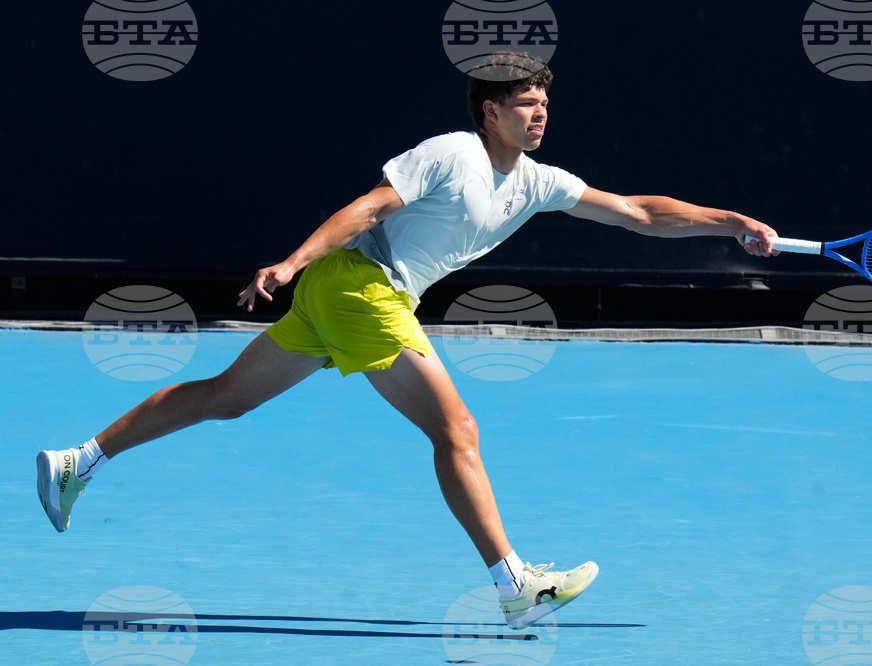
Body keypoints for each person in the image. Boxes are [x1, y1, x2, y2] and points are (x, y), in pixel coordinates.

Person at [36, 52, 777, 630]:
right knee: (456, 428)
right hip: (361, 287)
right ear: (491, 111)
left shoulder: (537, 181)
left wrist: (730, 221)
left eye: (546, 103)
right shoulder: (452, 153)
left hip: (349, 295)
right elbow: (369, 207)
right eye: (526, 103)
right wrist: (293, 262)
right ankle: (514, 584)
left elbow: (638, 212)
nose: (540, 113)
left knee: (226, 398)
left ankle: (81, 460)